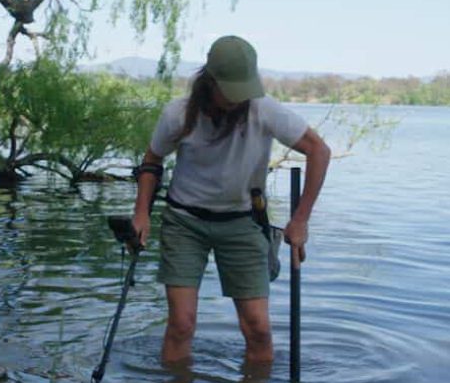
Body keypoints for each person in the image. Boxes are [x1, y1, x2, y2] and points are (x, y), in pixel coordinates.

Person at [131, 35, 331, 364]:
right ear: (209, 83)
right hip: (185, 223)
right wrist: (141, 213)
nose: (238, 101)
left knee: (258, 329)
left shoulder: (264, 110)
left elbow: (318, 150)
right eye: (231, 93)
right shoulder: (179, 114)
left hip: (243, 222)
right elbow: (152, 161)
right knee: (181, 324)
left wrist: (300, 220)